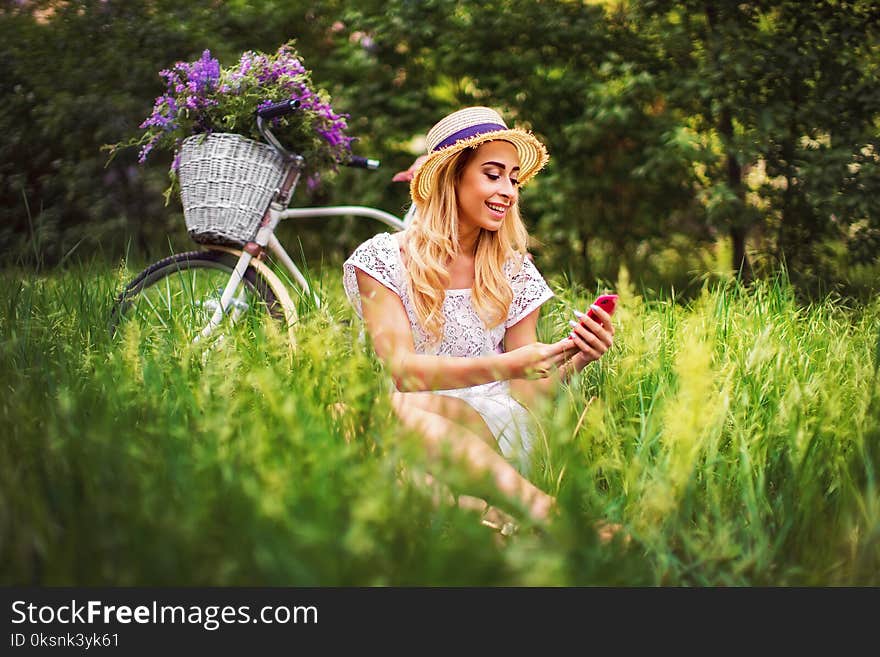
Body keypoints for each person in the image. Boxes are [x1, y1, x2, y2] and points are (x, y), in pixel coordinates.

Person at [343, 107, 615, 531]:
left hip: (492, 423)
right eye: (493, 174)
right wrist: (508, 364)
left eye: (513, 178)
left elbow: (529, 395)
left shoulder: (513, 269)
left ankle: (549, 515)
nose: (508, 189)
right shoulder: (381, 259)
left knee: (385, 414)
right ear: (452, 177)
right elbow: (403, 371)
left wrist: (574, 357)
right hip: (410, 418)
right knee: (348, 415)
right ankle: (492, 519)